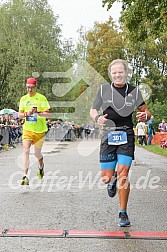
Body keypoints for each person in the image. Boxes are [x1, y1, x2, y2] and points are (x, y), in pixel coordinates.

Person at [90, 59, 151, 227]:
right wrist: (97, 118)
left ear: (126, 73)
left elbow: (145, 111)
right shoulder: (103, 90)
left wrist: (146, 116)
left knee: (124, 173)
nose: (118, 75)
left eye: (120, 72)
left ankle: (122, 212)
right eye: (114, 72)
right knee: (106, 177)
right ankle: (111, 180)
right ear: (111, 74)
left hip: (126, 132)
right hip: (108, 134)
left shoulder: (133, 91)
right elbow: (93, 109)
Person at [18, 77, 50, 185]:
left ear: (35, 87)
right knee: (26, 150)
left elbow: (48, 114)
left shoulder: (41, 98)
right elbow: (19, 115)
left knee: (37, 153)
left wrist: (38, 112)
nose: (29, 90)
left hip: (40, 130)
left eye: (31, 88)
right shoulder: (23, 99)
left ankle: (41, 166)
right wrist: (27, 114)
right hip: (28, 129)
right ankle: (25, 176)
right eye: (28, 87)